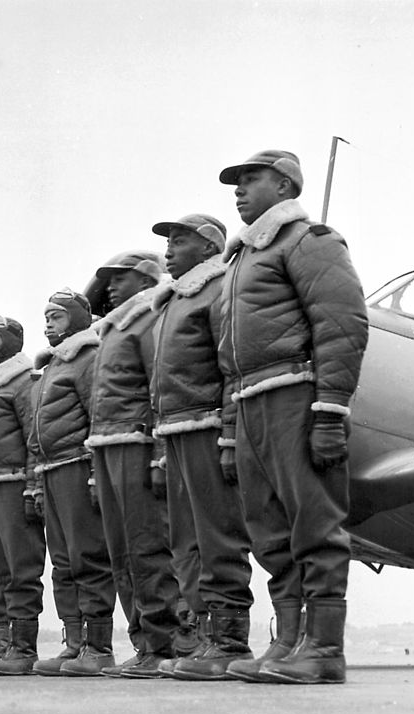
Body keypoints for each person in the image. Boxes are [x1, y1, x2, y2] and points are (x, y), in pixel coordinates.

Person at [215, 149, 368, 684]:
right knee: (269, 531)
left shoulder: (310, 241)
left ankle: (324, 649)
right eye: (235, 183)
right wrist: (232, 432)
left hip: (295, 396)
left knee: (314, 521)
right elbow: (229, 359)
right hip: (250, 403)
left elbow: (342, 324)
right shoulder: (241, 263)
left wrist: (329, 412)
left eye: (250, 180)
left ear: (284, 187)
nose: (238, 190)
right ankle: (286, 643)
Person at [145, 213, 256, 680]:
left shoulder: (217, 291)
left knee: (218, 536)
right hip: (174, 432)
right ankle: (203, 635)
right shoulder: (171, 302)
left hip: (207, 428)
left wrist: (230, 433)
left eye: (181, 239)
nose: (169, 248)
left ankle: (230, 640)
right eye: (168, 240)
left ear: (210, 248)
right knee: (185, 543)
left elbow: (232, 368)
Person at [85, 251, 183, 678]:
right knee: (121, 551)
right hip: (107, 443)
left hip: (137, 440)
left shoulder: (150, 319)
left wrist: (160, 453)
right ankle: (143, 643)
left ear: (144, 279)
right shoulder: (113, 329)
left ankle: (164, 643)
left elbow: (159, 386)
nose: (108, 285)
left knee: (146, 547)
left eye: (119, 277)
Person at [28, 288, 117, 676]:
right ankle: (74, 642)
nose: (48, 322)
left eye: (57, 315)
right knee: (62, 563)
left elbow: (99, 414)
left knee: (87, 556)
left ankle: (98, 647)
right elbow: (36, 432)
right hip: (50, 471)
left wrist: (97, 473)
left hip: (76, 465)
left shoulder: (87, 358)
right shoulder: (50, 368)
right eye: (45, 316)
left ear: (80, 319)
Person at [0, 315, 47, 675]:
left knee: (21, 567)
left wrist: (33, 485)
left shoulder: (22, 382)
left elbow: (35, 436)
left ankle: (23, 646)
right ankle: (4, 642)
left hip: (14, 483)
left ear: (13, 341)